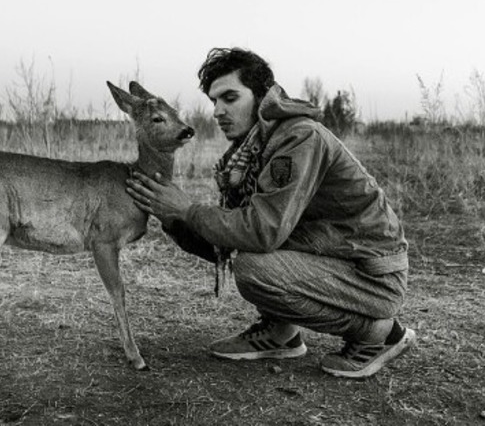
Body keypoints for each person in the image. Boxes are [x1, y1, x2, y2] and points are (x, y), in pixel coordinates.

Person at [125, 47, 414, 378]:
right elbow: (226, 242)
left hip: (371, 275)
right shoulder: (251, 149)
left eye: (230, 98)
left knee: (254, 267)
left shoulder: (299, 137)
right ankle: (281, 334)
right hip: (327, 256)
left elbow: (261, 232)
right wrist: (173, 216)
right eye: (214, 101)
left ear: (261, 95)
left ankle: (380, 334)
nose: (218, 111)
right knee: (241, 250)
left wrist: (188, 210)